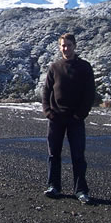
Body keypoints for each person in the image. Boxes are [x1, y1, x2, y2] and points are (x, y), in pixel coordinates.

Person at [42, 33, 96, 203]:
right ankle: (54, 186)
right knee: (53, 155)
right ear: (60, 47)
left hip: (75, 119)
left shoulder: (85, 67)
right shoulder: (54, 67)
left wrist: (80, 114)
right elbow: (46, 91)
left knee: (78, 156)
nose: (66, 48)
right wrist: (48, 112)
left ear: (75, 46)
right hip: (56, 118)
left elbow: (89, 94)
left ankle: (81, 190)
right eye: (63, 45)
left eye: (69, 45)